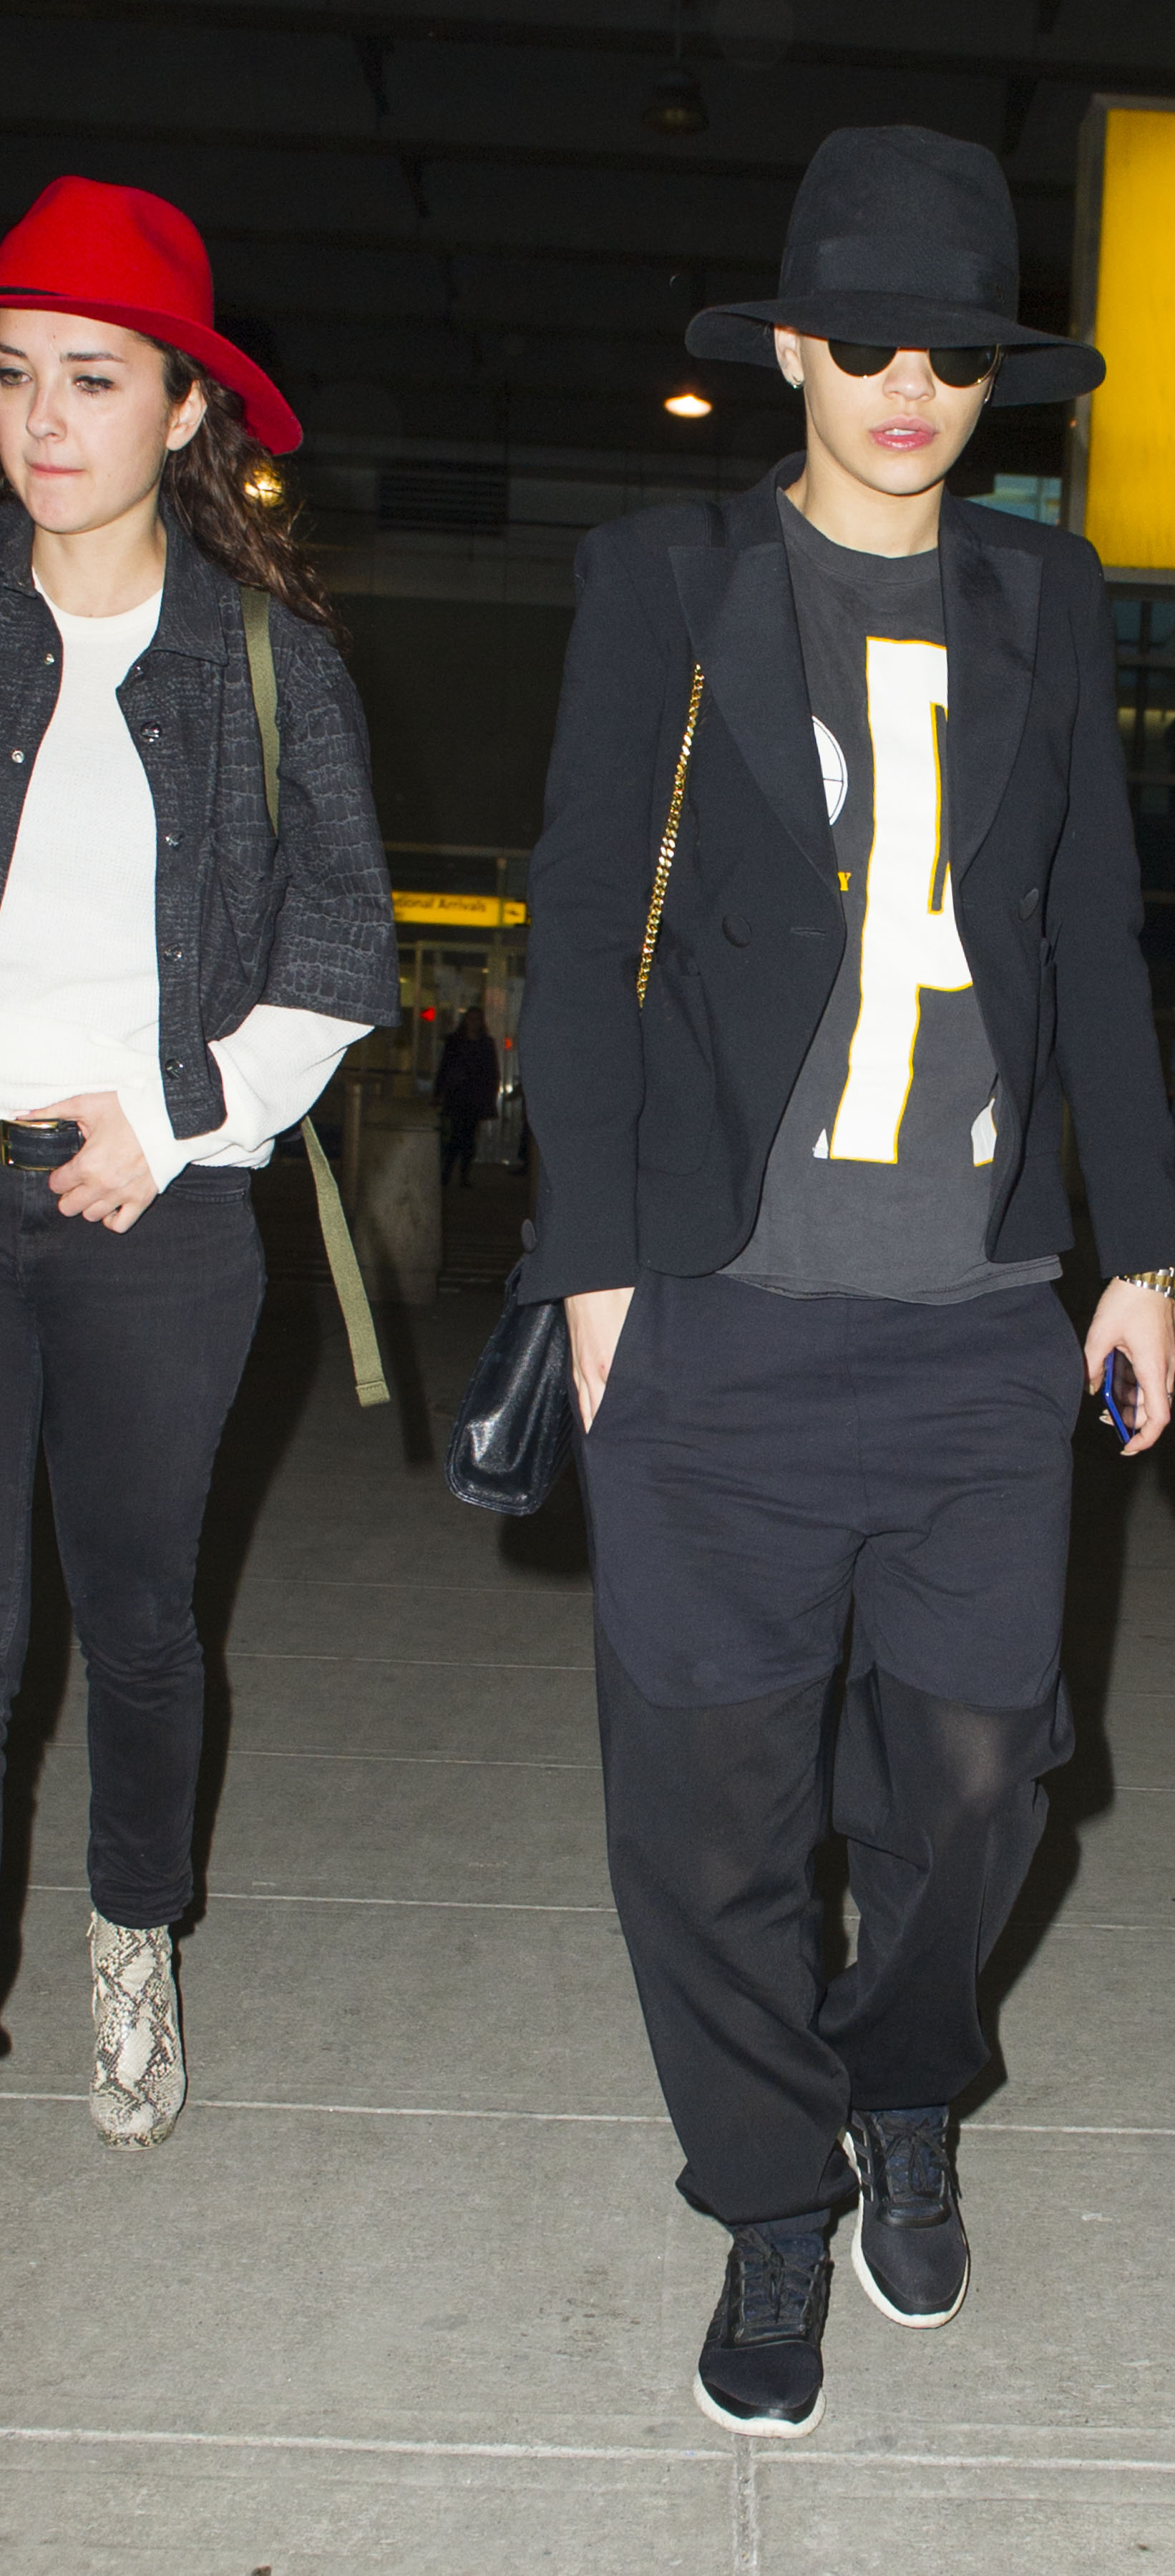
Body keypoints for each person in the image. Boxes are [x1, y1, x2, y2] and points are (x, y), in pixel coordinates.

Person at [519, 126, 1175, 2439]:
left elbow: (1093, 935)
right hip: (717, 1312)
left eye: (957, 352)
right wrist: (597, 1270)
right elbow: (579, 936)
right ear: (794, 348)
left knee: (983, 1782)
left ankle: (906, 2082)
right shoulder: (668, 579)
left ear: (995, 381)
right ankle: (771, 2200)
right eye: (871, 340)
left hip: (977, 1323)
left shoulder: (1049, 597)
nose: (912, 386)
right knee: (708, 1823)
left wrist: (1145, 1254)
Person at [0, 178, 398, 2147]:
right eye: (13, 373)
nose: (42, 418)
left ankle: (132, 1939)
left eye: (93, 377)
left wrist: (162, 1121)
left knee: (136, 1619)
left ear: (181, 411)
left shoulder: (266, 659)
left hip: (163, 1206)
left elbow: (341, 953)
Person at [434, 1002, 499, 1186]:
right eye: (471, 1019)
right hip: (458, 1094)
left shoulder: (485, 1043)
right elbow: (445, 1067)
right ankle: (448, 1173)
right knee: (456, 1136)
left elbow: (492, 1072)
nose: (473, 1023)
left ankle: (462, 1174)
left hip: (474, 1096)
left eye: (476, 1020)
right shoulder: (455, 1042)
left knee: (468, 1137)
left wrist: (490, 1095)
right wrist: (439, 1092)